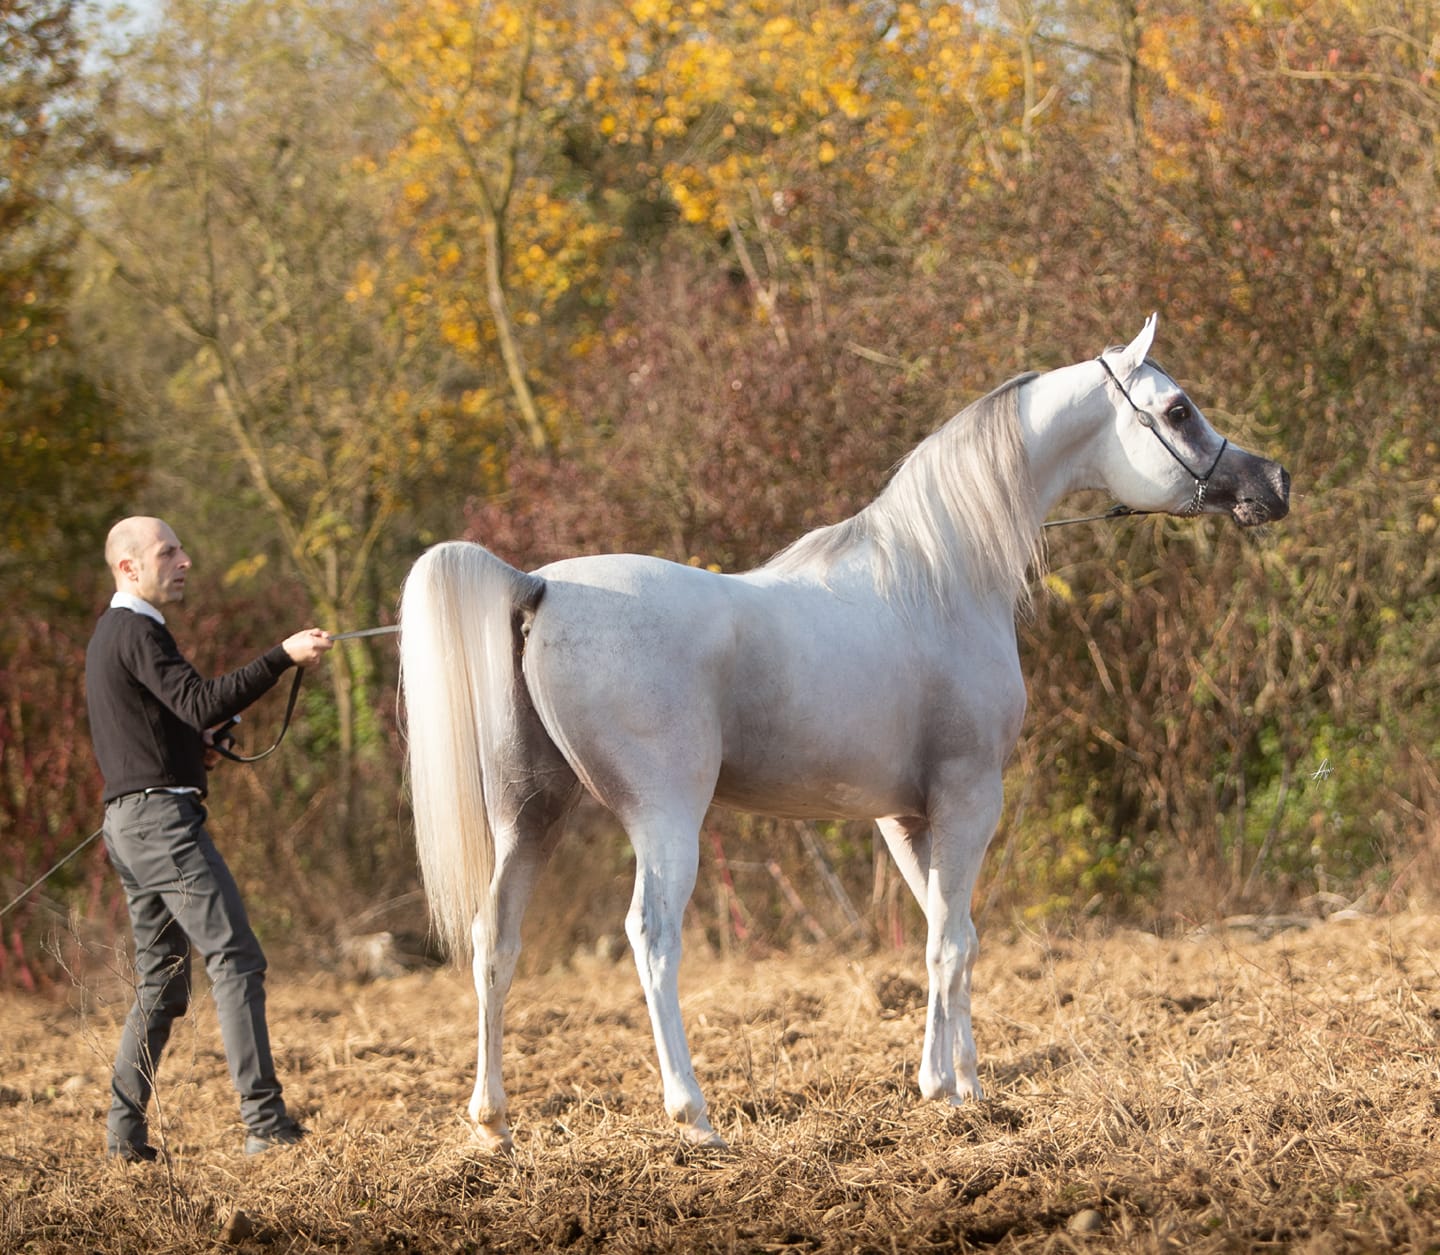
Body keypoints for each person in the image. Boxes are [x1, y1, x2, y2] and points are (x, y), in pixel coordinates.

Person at [84, 516, 333, 1162]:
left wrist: (193, 751)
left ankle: (123, 1139)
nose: (185, 561)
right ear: (129, 568)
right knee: (236, 958)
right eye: (168, 552)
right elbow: (200, 701)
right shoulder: (137, 629)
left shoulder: (114, 634)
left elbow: (160, 723)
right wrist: (282, 656)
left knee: (163, 984)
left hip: (132, 825)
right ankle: (265, 1124)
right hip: (160, 827)